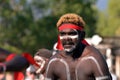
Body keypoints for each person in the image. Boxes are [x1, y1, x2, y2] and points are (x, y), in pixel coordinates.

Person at [45, 13, 112, 80]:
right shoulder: (54, 62)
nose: (67, 38)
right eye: (63, 34)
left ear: (82, 36)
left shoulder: (94, 59)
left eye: (72, 33)